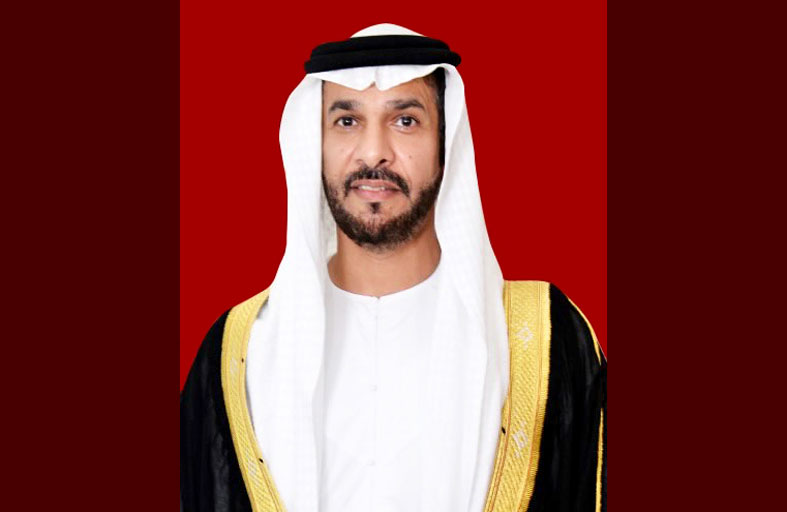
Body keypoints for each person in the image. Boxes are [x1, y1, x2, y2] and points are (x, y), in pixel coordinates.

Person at [180, 23, 606, 512]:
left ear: (445, 146)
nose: (373, 152)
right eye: (347, 121)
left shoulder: (543, 335)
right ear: (314, 144)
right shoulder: (239, 351)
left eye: (405, 121)